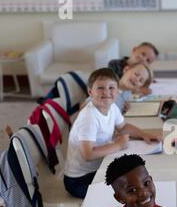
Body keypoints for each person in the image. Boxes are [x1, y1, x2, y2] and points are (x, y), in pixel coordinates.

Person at [63, 68, 161, 199]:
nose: (106, 92)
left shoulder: (112, 107)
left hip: (98, 168)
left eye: (111, 88)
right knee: (128, 192)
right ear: (90, 91)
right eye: (100, 88)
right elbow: (87, 154)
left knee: (136, 178)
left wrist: (144, 134)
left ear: (117, 90)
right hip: (79, 180)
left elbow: (123, 126)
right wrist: (119, 145)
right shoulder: (89, 117)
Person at [81, 62, 153, 114]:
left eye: (141, 80)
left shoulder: (128, 94)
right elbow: (83, 107)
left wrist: (125, 111)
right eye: (136, 74)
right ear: (126, 70)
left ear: (140, 87)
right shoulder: (107, 87)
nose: (137, 79)